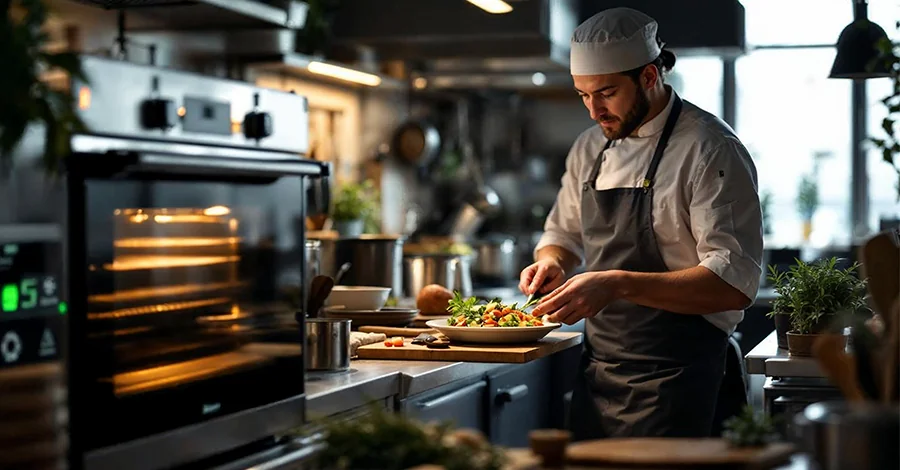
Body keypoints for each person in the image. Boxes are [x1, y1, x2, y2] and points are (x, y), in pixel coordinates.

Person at [519, 7, 763, 440]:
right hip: (601, 375)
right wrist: (552, 261)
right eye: (583, 95)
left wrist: (616, 283)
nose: (594, 110)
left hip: (683, 379)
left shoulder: (709, 148)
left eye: (607, 92)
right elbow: (561, 234)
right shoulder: (590, 147)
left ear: (649, 76)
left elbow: (733, 285)